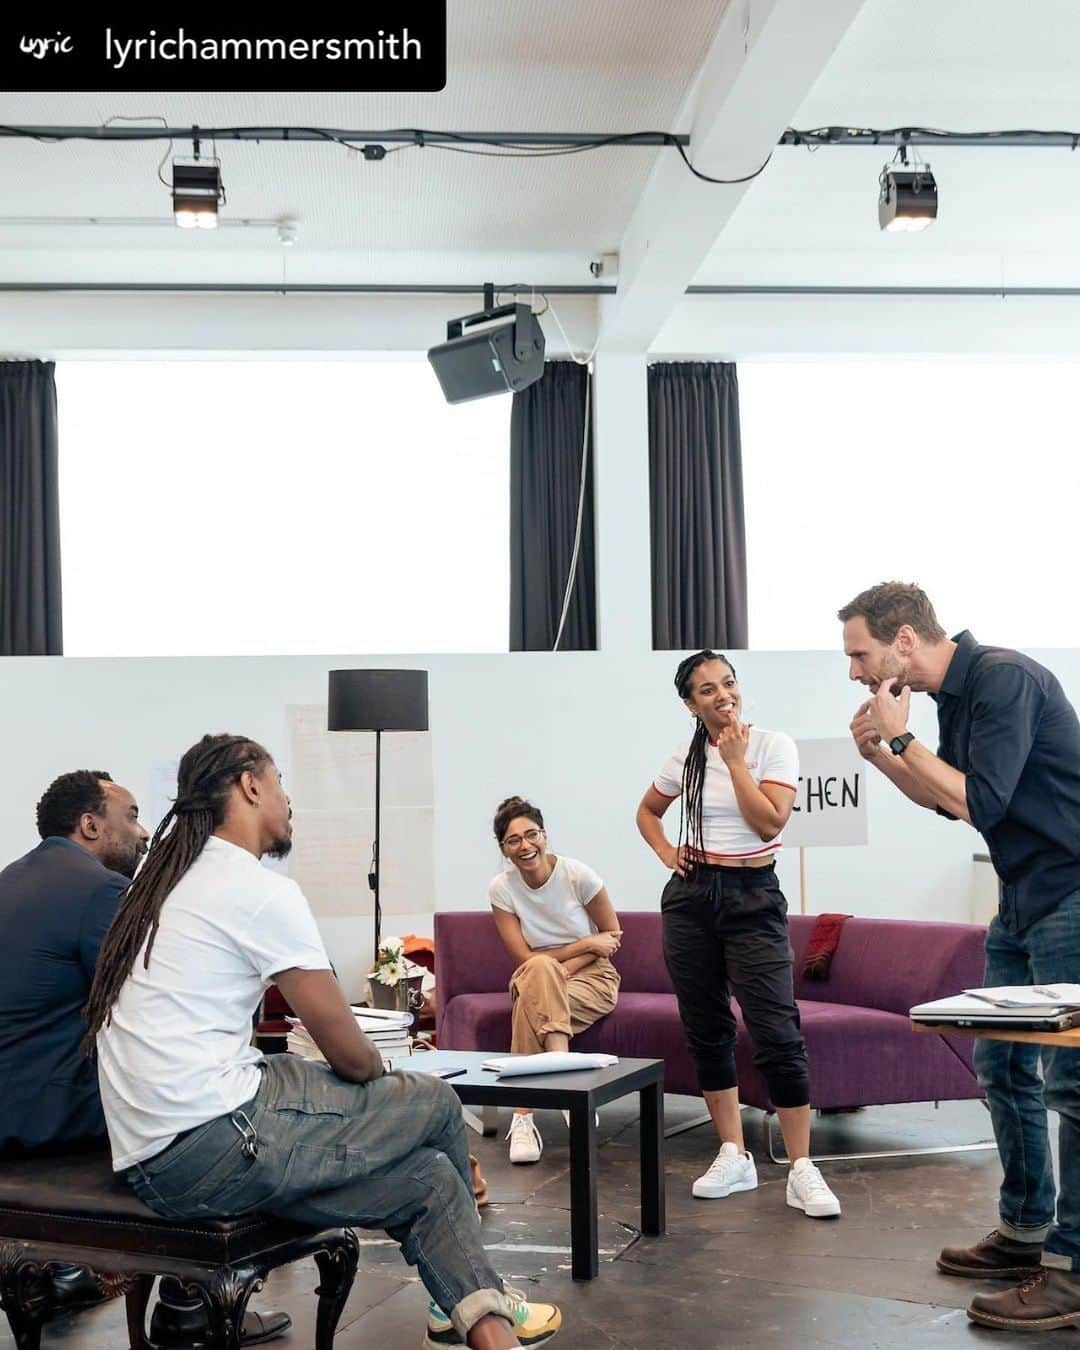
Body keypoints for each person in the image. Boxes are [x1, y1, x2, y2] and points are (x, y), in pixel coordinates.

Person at [86, 734, 562, 1350]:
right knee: (435, 1104)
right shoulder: (255, 889)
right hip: (214, 1141)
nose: (288, 799)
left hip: (151, 1150)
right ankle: (464, 1296)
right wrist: (384, 1082)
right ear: (251, 787)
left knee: (430, 1182)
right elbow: (350, 1055)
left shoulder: (161, 881)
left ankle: (472, 1310)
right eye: (279, 781)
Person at [840, 581, 1080, 1332]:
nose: (854, 671)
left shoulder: (1005, 678)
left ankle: (1072, 1270)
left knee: (1072, 1081)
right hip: (1023, 896)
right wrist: (882, 755)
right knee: (1001, 1064)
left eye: (860, 654)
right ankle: (1025, 1231)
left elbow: (984, 802)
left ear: (904, 640)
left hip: (1072, 890)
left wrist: (903, 740)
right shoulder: (957, 695)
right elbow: (947, 801)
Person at [0, 769, 291, 1346]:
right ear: (89, 825)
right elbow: (160, 1004)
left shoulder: (12, 880)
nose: (141, 833)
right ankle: (188, 1303)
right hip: (52, 1118)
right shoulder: (97, 891)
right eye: (130, 816)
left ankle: (63, 1271)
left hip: (10, 1110)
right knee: (182, 1108)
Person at [635, 651, 841, 1219]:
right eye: (706, 690)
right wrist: (664, 851)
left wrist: (737, 761)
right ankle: (734, 1153)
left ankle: (801, 1167)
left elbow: (770, 822)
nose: (722, 695)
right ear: (689, 704)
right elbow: (647, 812)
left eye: (728, 683)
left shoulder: (774, 745)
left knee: (776, 1028)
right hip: (692, 897)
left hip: (753, 898)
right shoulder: (685, 756)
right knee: (705, 1027)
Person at [488, 795, 621, 1164]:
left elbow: (611, 937)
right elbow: (525, 959)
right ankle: (568, 1085)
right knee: (539, 972)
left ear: (545, 836)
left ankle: (522, 1118)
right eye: (514, 840)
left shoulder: (577, 875)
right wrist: (579, 945)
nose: (525, 846)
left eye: (532, 835)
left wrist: (567, 967)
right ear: (504, 848)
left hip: (591, 978)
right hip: (534, 973)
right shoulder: (501, 889)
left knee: (531, 1004)